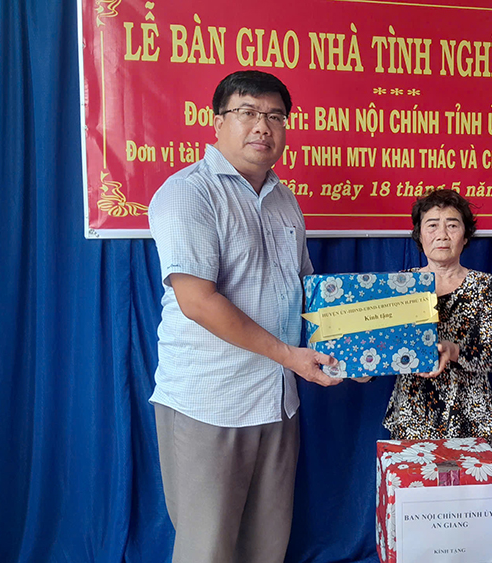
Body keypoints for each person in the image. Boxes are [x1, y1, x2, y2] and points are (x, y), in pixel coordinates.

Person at [147, 70, 339, 563]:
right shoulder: (189, 192)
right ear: (217, 122)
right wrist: (290, 356)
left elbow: (307, 292)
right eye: (247, 112)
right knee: (206, 550)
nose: (262, 127)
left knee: (266, 547)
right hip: (211, 402)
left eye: (275, 116)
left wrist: (355, 349)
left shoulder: (284, 199)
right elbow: (198, 301)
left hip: (277, 401)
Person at [383, 189, 492, 448]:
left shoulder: (485, 286)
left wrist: (453, 351)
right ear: (420, 235)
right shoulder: (401, 284)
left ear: (465, 235)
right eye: (432, 225)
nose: (442, 234)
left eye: (452, 225)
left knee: (473, 478)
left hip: (471, 419)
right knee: (412, 477)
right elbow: (384, 345)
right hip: (412, 416)